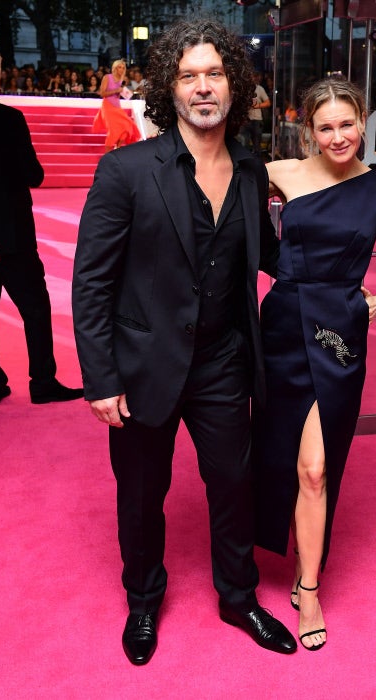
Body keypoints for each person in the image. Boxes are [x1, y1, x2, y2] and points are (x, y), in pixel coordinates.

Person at [72, 19, 297, 666]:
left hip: (224, 360)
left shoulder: (252, 170)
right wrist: (101, 378)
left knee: (233, 483)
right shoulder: (125, 171)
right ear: (169, 89)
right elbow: (92, 283)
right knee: (141, 495)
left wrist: (343, 252)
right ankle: (143, 600)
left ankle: (238, 597)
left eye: (215, 73)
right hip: (143, 366)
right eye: (189, 75)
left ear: (235, 83)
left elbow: (271, 257)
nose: (203, 87)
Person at [252, 77, 376, 651]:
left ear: (364, 122)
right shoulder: (279, 173)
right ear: (309, 131)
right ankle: (285, 546)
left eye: (347, 124)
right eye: (325, 127)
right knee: (280, 453)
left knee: (316, 468)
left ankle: (310, 585)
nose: (338, 135)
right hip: (281, 325)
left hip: (339, 334)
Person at [0, 45, 84, 406]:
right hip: (12, 236)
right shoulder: (9, 119)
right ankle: (42, 381)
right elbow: (33, 174)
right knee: (35, 309)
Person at [93, 58, 141, 153]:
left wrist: (125, 92)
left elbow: (119, 94)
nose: (122, 69)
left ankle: (116, 150)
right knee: (113, 131)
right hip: (107, 107)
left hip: (117, 107)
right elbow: (102, 93)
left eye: (123, 68)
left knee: (127, 126)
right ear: (115, 68)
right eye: (120, 67)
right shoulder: (107, 77)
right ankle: (107, 155)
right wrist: (116, 91)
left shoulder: (121, 80)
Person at [239, 70, 271, 156]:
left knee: (257, 144)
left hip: (256, 119)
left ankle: (257, 165)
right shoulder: (243, 88)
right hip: (245, 119)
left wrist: (257, 106)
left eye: (253, 77)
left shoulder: (260, 89)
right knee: (243, 142)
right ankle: (244, 163)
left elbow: (268, 103)